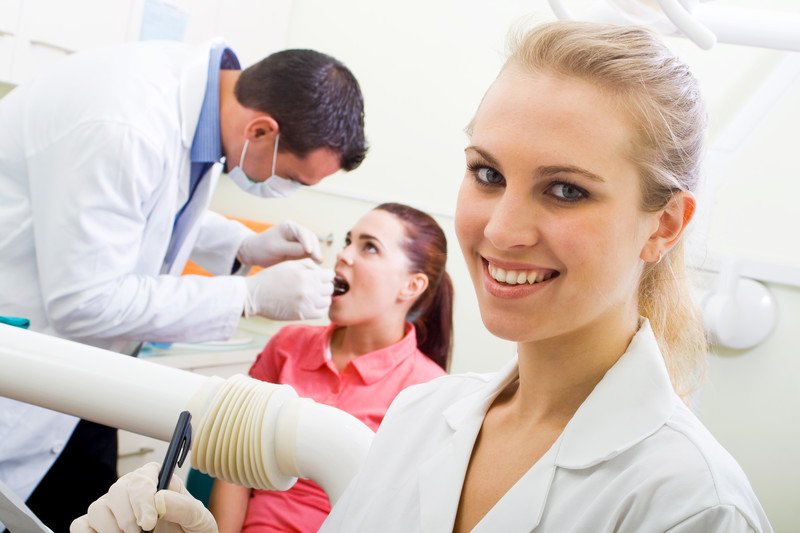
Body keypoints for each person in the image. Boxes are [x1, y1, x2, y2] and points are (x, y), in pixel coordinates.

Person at [68, 21, 774, 533]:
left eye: (565, 189)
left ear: (665, 225)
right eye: (487, 173)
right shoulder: (418, 422)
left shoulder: (692, 504)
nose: (501, 230)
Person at [0, 37, 366, 532]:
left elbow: (146, 211)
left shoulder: (204, 108)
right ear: (262, 130)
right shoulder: (126, 124)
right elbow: (82, 301)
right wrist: (248, 296)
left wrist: (242, 246)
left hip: (82, 372)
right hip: (32, 356)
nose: (289, 191)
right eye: (295, 179)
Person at [208, 202, 453, 532]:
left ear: (411, 286)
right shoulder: (288, 345)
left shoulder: (430, 391)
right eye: (348, 241)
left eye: (369, 247)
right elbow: (233, 465)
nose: (345, 255)